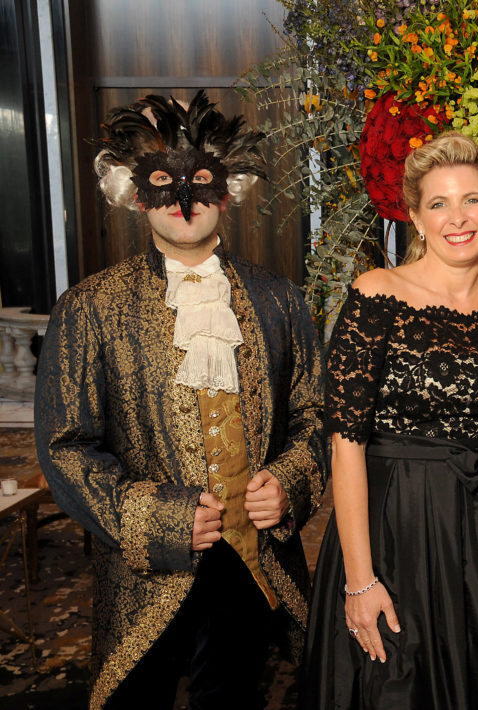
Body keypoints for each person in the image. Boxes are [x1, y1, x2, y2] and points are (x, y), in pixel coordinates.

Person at [34, 91, 326, 709]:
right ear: (138, 194)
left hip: (252, 561)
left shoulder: (280, 301)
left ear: (227, 192)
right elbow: (66, 446)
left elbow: (314, 417)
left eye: (201, 182)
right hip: (143, 571)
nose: (185, 201)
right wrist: (159, 518)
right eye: (165, 183)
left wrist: (291, 481)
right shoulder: (89, 308)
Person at [301, 131, 478, 710]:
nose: (458, 217)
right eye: (438, 204)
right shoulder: (377, 292)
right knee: (392, 686)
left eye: (472, 200)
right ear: (415, 219)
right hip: (392, 526)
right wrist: (360, 578)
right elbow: (345, 445)